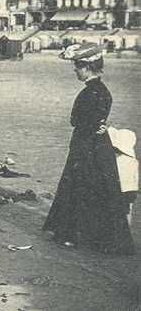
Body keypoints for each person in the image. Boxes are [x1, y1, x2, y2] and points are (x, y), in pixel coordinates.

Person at [43, 43, 135, 255]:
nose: (75, 70)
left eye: (77, 66)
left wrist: (90, 127)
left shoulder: (88, 93)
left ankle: (69, 235)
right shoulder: (104, 92)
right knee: (100, 190)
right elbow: (94, 120)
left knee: (76, 187)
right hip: (99, 146)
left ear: (86, 67)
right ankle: (100, 238)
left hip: (85, 145)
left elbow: (75, 120)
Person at [108, 127, 138, 226]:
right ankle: (127, 231)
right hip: (131, 191)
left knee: (117, 212)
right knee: (128, 211)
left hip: (121, 190)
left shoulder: (118, 161)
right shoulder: (133, 161)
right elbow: (135, 177)